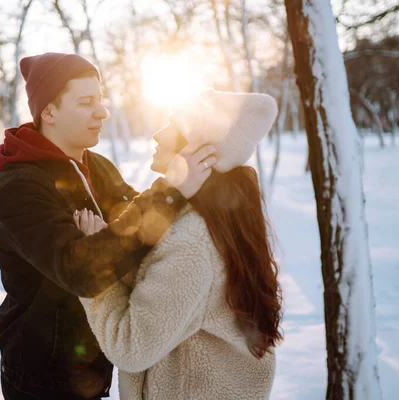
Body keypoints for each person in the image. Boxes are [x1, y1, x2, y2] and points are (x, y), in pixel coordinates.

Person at [0, 52, 217, 400]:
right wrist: (168, 192)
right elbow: (80, 271)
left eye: (100, 99)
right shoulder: (20, 188)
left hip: (95, 367)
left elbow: (142, 233)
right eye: (86, 102)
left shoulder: (98, 166)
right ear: (48, 111)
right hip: (44, 378)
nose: (102, 112)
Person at [78, 89, 284, 399]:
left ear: (200, 151)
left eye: (172, 127)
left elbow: (131, 346)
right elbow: (165, 294)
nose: (158, 134)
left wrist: (94, 268)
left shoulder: (193, 242)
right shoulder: (203, 222)